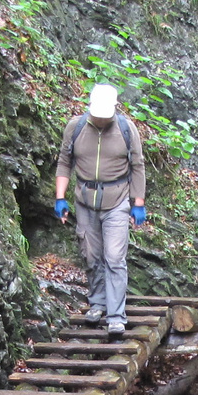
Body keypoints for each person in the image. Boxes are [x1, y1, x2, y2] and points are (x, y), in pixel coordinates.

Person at [54, 84, 147, 335]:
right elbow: (65, 162)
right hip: (85, 201)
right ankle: (97, 303)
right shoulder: (76, 127)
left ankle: (116, 315)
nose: (102, 119)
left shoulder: (126, 130)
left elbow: (137, 166)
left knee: (115, 258)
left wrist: (138, 203)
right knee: (91, 255)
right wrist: (60, 198)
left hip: (117, 200)